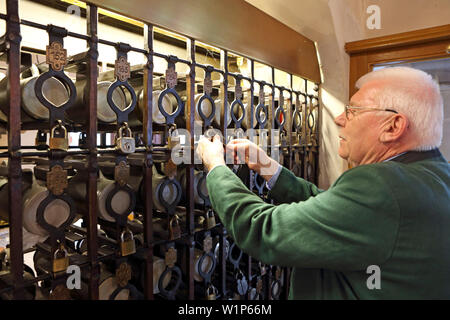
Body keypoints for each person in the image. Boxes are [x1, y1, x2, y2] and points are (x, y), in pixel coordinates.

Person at [196, 66, 450, 299]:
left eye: (353, 110)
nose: (340, 119)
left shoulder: (384, 185)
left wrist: (216, 167)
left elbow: (262, 229)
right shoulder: (436, 176)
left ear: (393, 126)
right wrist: (268, 167)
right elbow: (335, 213)